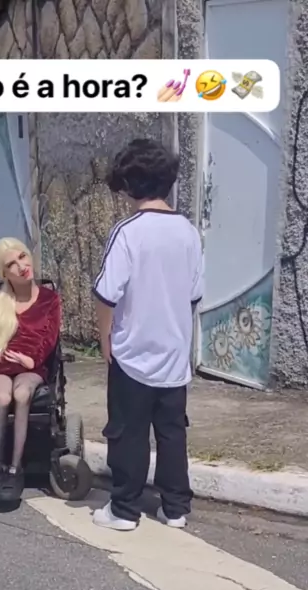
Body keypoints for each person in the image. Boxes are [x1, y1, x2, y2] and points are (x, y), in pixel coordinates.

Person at [91, 138, 204, 532]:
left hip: (133, 354)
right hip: (174, 355)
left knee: (128, 432)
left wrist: (105, 337)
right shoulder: (188, 232)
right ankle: (175, 508)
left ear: (129, 183)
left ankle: (124, 509)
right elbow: (194, 294)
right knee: (172, 433)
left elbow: (107, 294)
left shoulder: (128, 232)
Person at [0, 237, 61, 501]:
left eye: (22, 257)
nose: (21, 266)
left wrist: (32, 360)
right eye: (12, 264)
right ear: (4, 273)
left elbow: (50, 337)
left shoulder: (49, 299)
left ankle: (15, 470)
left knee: (22, 393)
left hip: (31, 367)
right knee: (3, 397)